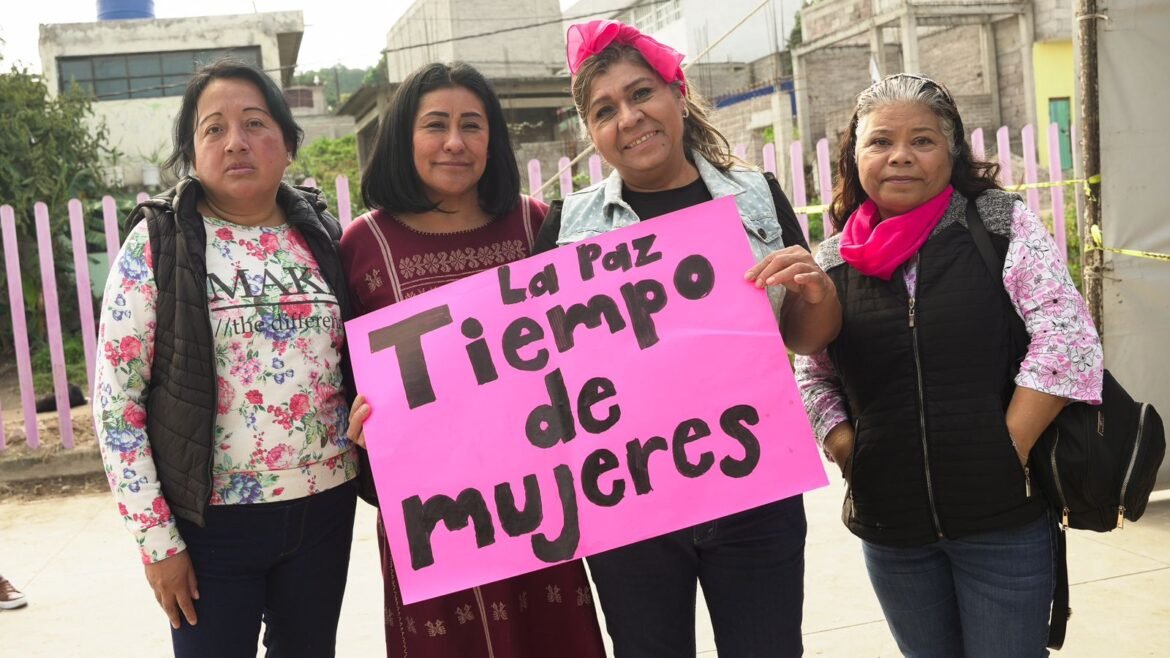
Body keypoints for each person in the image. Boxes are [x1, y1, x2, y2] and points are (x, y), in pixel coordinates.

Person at [530, 20, 841, 657]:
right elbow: (529, 369)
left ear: (677, 93)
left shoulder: (755, 195)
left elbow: (806, 339)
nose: (630, 117)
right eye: (605, 110)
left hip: (755, 490)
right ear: (591, 133)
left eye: (641, 93)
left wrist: (819, 293)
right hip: (629, 504)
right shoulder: (566, 226)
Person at [795, 74, 1104, 657]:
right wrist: (846, 448)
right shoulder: (833, 260)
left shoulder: (998, 225)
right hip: (892, 530)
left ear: (952, 148)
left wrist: (1005, 447)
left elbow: (1067, 340)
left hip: (1001, 522)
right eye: (880, 142)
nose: (901, 157)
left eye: (923, 141)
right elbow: (814, 376)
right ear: (854, 154)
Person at [93, 59, 358, 657]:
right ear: (192, 151)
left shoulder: (324, 236)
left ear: (288, 143)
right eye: (214, 128)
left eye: (256, 123)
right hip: (211, 528)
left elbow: (360, 360)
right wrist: (157, 542)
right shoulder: (157, 245)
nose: (236, 141)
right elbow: (116, 408)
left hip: (323, 511)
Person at [341, 62, 607, 658]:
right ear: (404, 138)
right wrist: (355, 416)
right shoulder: (364, 244)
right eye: (436, 125)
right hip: (434, 513)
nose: (455, 142)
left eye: (473, 125)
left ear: (494, 139)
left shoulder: (535, 224)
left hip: (544, 501)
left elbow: (588, 347)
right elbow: (342, 371)